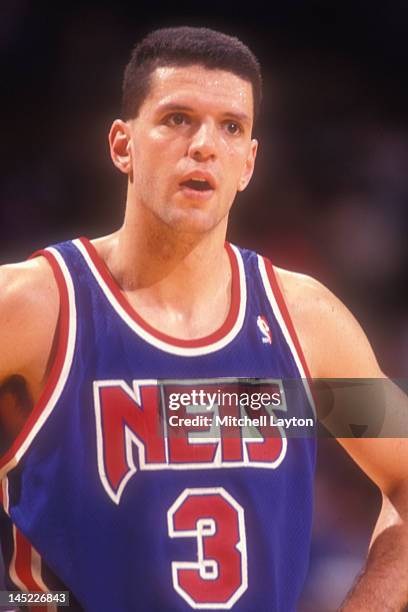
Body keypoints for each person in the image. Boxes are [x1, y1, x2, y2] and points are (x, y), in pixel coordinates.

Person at [0, 26, 407, 612]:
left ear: (248, 162)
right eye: (177, 119)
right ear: (122, 145)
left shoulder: (305, 323)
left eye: (231, 127)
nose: (204, 145)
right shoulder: (34, 308)